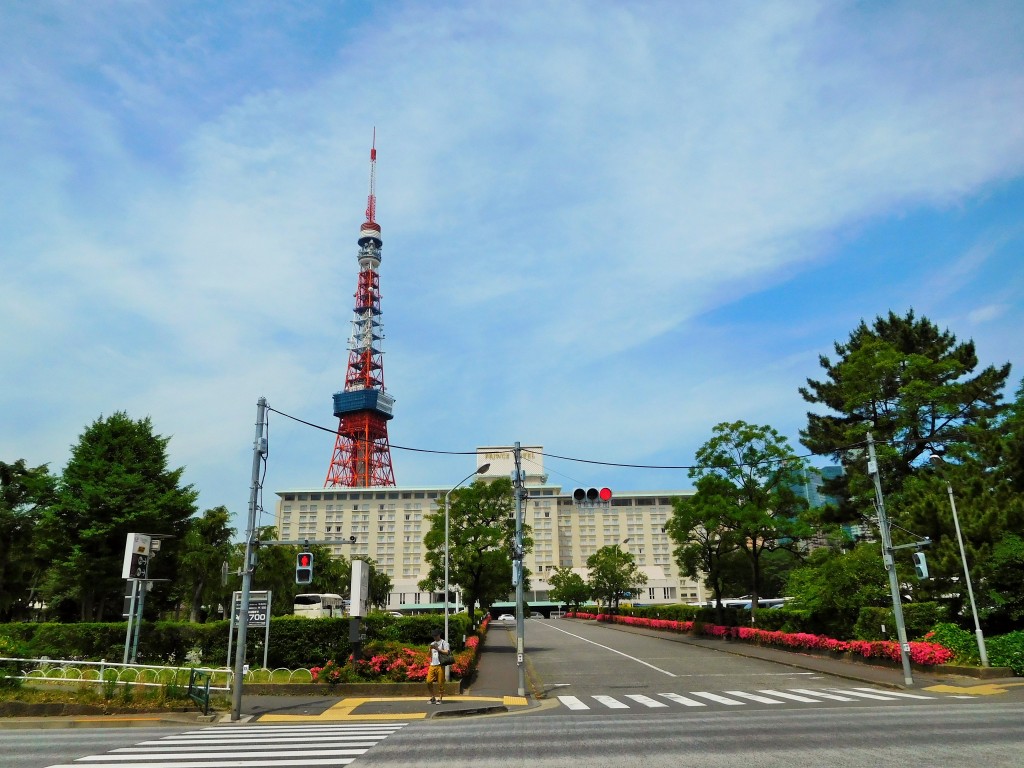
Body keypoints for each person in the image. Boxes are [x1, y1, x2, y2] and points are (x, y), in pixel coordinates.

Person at [426, 630, 450, 704]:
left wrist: (438, 649)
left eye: (436, 636)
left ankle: (440, 698)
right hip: (432, 665)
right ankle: (433, 697)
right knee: (428, 681)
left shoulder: (444, 643)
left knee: (440, 683)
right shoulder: (432, 643)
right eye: (433, 636)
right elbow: (428, 656)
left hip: (440, 665)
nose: (435, 637)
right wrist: (430, 649)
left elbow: (447, 652)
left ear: (439, 635)